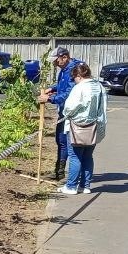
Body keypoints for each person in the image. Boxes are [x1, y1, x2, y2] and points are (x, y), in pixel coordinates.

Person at [37, 46, 83, 183]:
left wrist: (50, 99)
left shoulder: (74, 70)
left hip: (71, 112)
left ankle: (62, 173)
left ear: (64, 57)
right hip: (63, 110)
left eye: (56, 60)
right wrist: (52, 88)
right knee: (60, 140)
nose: (54, 63)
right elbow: (62, 86)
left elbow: (70, 92)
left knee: (67, 142)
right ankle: (59, 170)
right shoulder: (64, 69)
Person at [60, 62, 107, 195]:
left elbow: (69, 108)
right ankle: (85, 186)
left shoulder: (79, 88)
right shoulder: (99, 87)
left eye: (74, 78)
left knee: (75, 156)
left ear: (79, 76)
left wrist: (66, 114)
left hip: (77, 127)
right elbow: (103, 108)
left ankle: (71, 186)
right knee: (88, 156)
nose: (74, 81)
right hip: (94, 127)